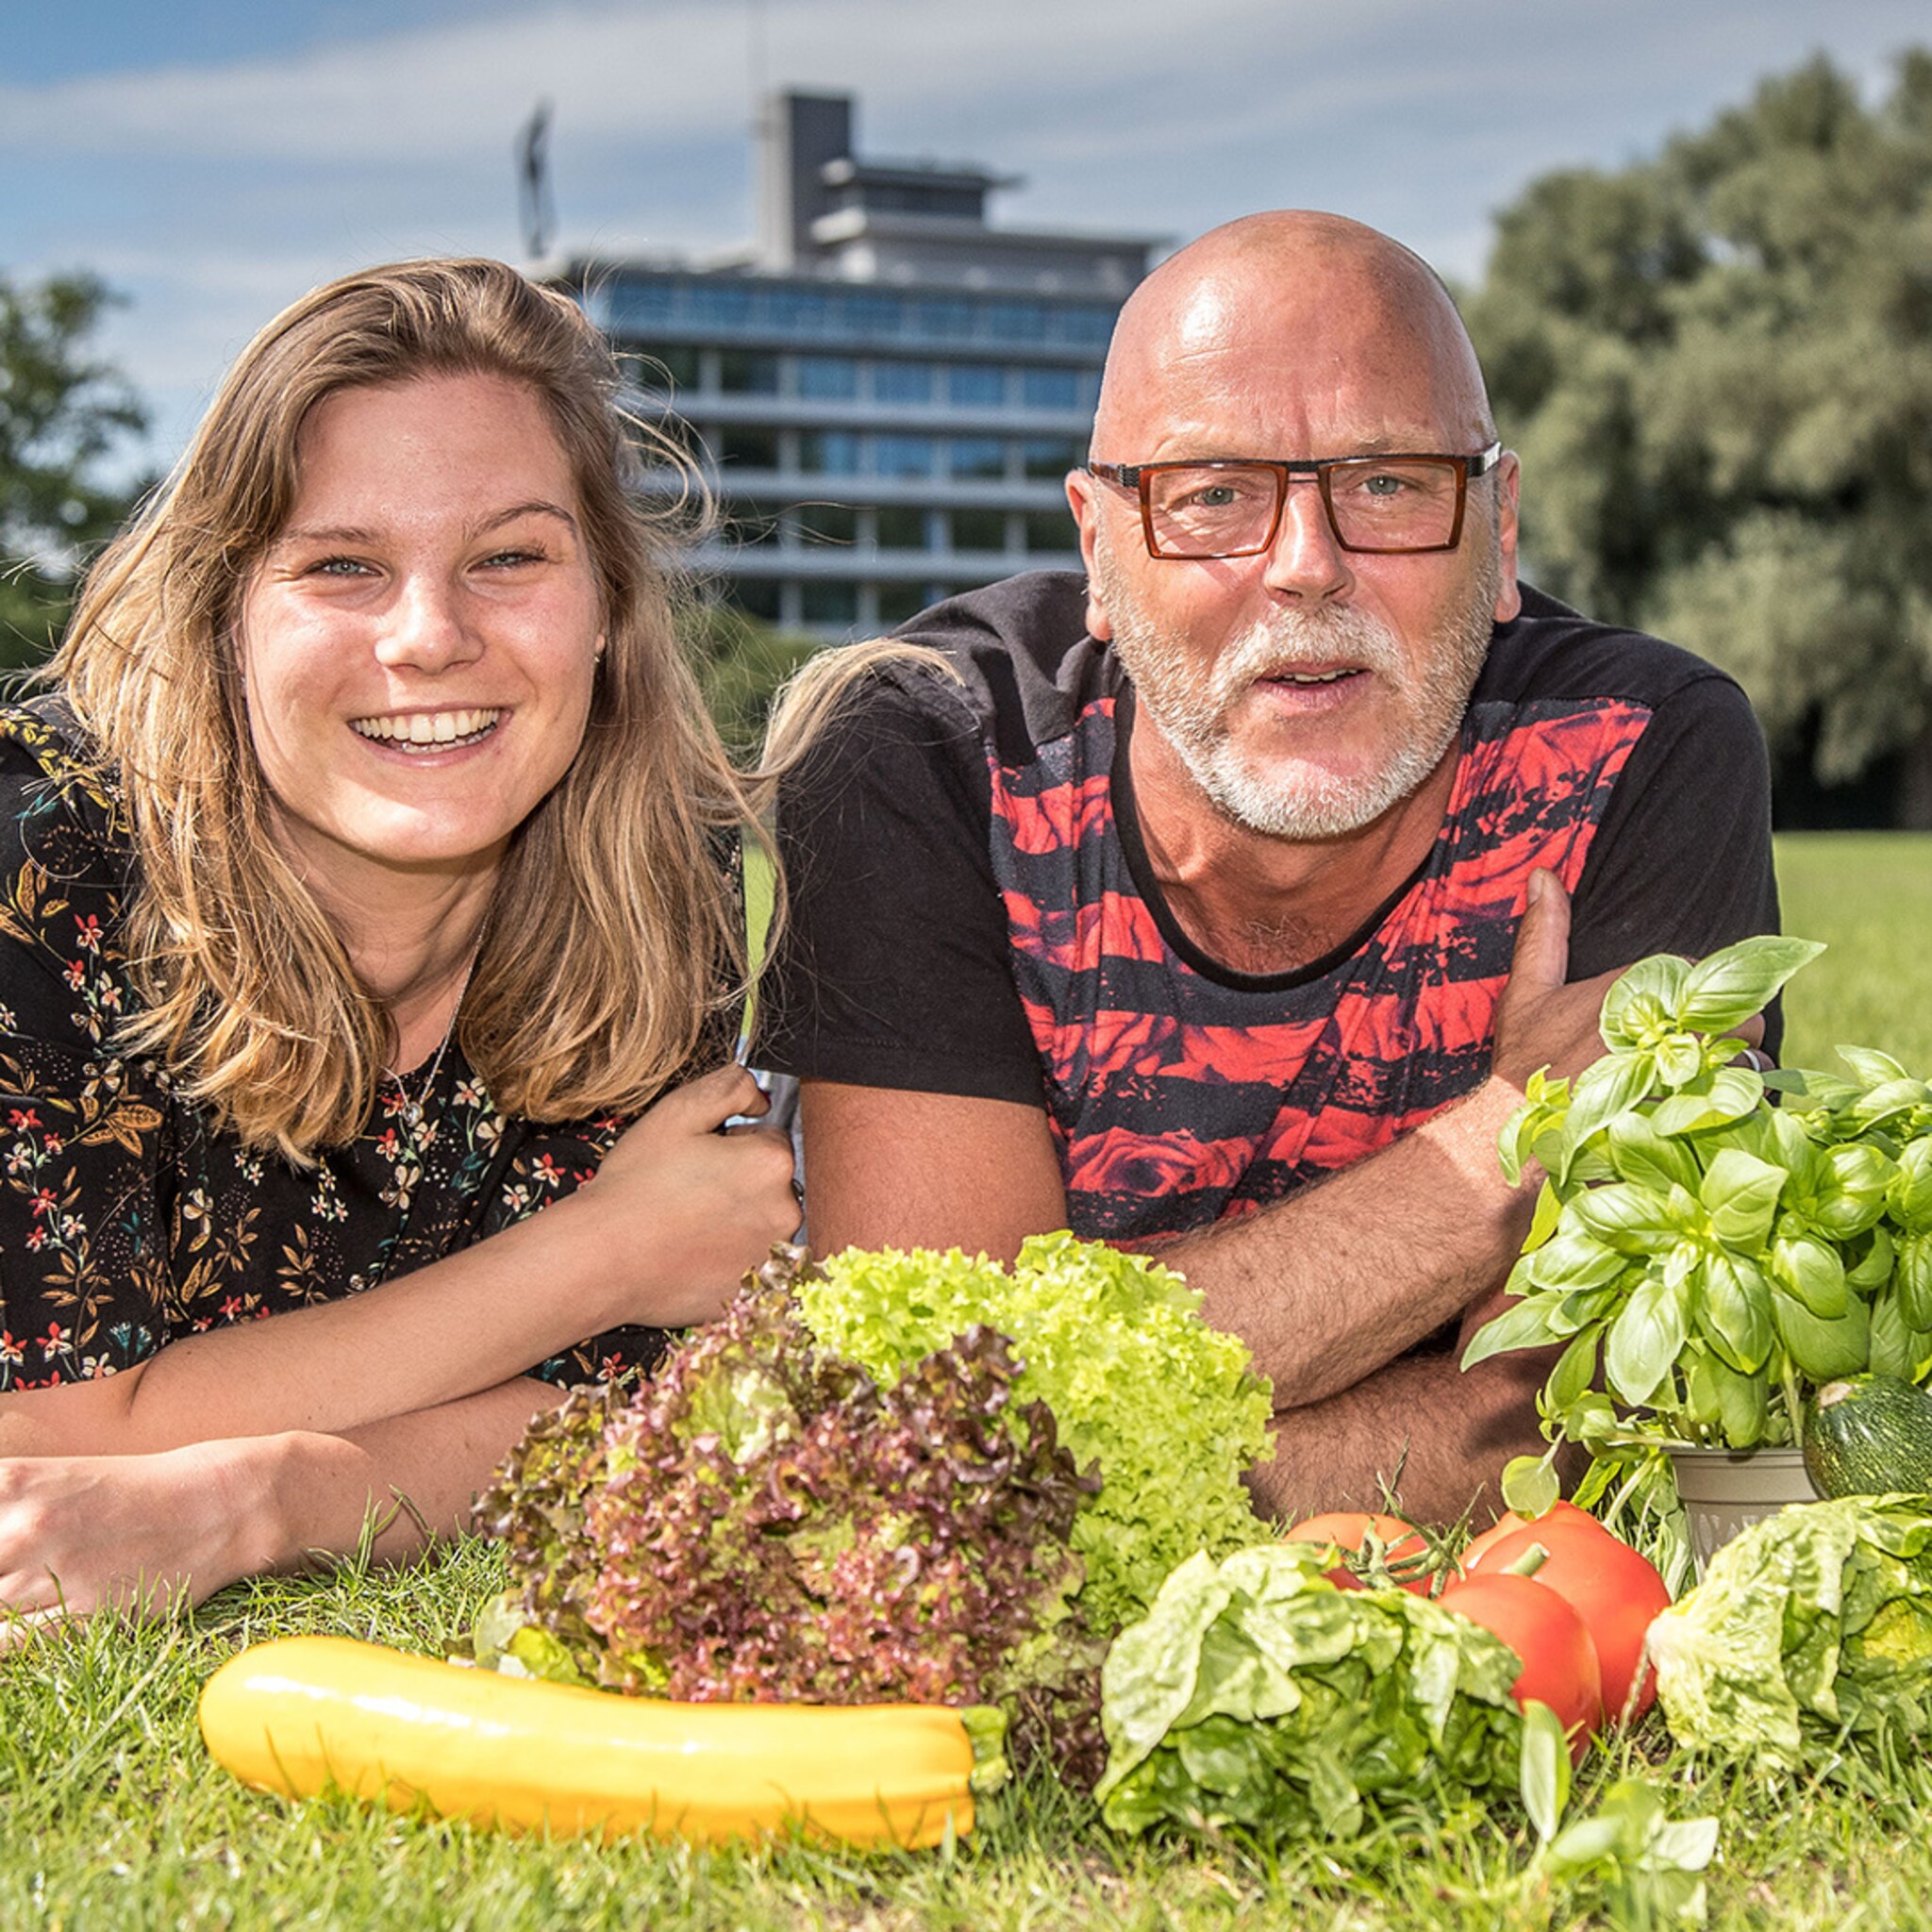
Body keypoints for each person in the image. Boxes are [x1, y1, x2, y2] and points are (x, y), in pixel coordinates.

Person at [761, 210, 1778, 1525]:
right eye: (1214, 496)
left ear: (1503, 525)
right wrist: (1513, 1136)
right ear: (1099, 550)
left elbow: (1607, 1402)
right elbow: (934, 1421)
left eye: (1393, 482)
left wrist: (1086, 1450)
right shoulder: (926, 754)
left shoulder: (1639, 756)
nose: (1306, 567)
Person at [0, 258, 801, 1624]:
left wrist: (271, 1496)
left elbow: (646, 1417)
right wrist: (602, 1255)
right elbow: (44, 1448)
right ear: (224, 615)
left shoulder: (678, 889)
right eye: (341, 567)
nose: (431, 637)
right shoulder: (42, 871)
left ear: (605, 601)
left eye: (509, 558)